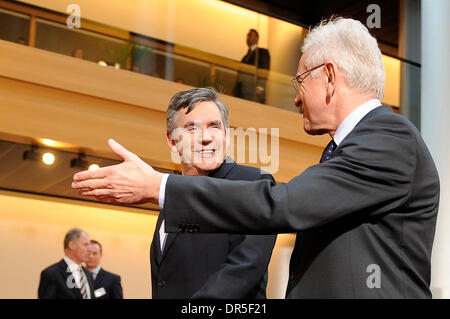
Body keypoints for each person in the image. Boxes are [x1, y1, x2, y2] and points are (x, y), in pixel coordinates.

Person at [72, 18, 440, 298]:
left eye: (300, 82)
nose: (296, 98)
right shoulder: (354, 146)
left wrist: (160, 186)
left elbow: (283, 204)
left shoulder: (389, 139)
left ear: (329, 77)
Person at [150, 88, 276, 298]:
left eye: (214, 126)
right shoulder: (170, 202)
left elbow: (243, 270)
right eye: (192, 128)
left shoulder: (252, 183)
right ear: (172, 141)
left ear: (226, 135)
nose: (206, 137)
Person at [38, 228, 95, 299]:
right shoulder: (52, 274)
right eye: (85, 245)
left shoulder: (88, 274)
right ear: (72, 245)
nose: (90, 249)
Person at [234, 29, 270, 104]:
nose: (248, 37)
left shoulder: (262, 52)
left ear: (257, 38)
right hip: (242, 92)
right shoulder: (245, 57)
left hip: (253, 91)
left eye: (250, 35)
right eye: (247, 35)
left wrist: (260, 87)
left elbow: (264, 68)